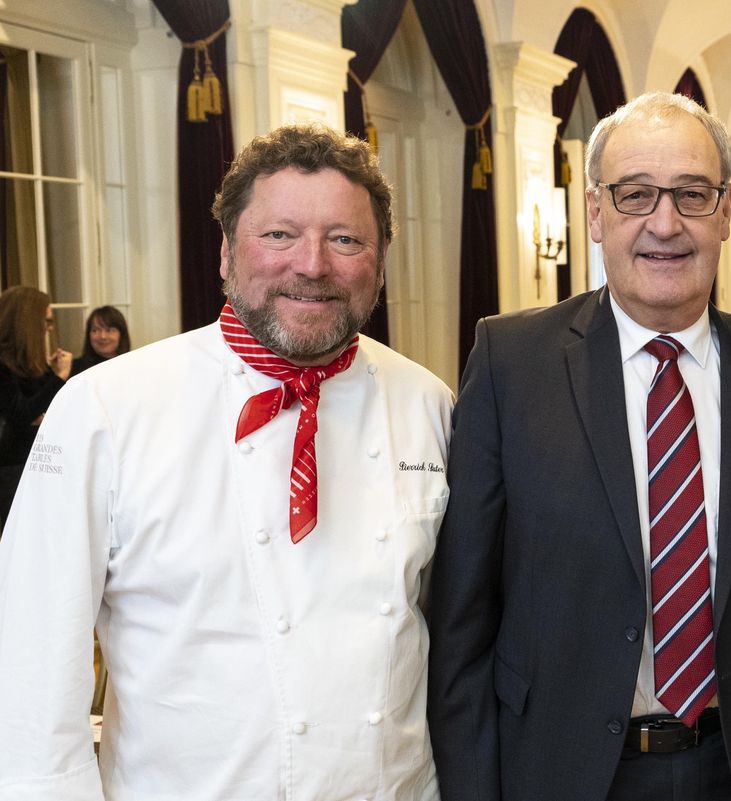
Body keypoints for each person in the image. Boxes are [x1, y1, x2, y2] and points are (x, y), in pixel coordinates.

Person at [426, 92, 731, 801]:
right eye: (636, 195)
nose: (665, 224)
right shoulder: (511, 364)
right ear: (596, 214)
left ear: (725, 211)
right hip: (558, 770)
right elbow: (461, 624)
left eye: (692, 195)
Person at [0, 124, 452, 800]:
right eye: (278, 235)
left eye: (346, 238)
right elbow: (30, 662)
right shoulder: (106, 407)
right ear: (224, 253)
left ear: (381, 260)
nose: (312, 264)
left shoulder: (429, 403)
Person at [0, 286, 72, 526]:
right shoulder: (2, 363)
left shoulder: (25, 362)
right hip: (12, 468)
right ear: (29, 321)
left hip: (32, 463)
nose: (49, 328)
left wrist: (50, 375)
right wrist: (59, 377)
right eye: (46, 321)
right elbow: (23, 414)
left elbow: (43, 408)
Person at [71, 304, 131, 376]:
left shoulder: (133, 366)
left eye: (109, 330)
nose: (103, 336)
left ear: (122, 334)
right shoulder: (75, 368)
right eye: (96, 330)